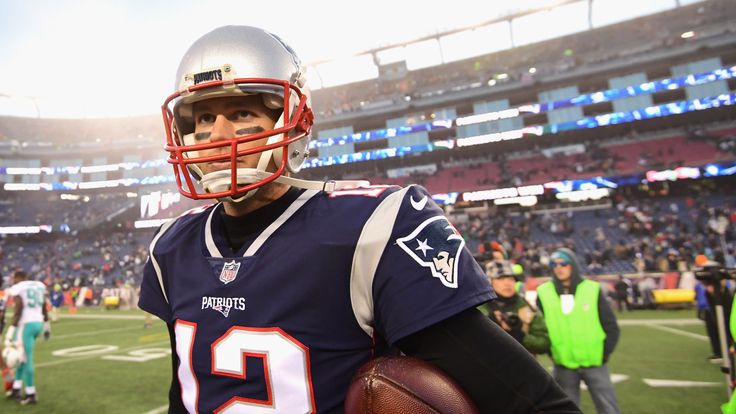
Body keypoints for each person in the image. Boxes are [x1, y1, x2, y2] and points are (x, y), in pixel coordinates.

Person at [138, 25, 579, 413]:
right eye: (203, 118)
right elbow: (187, 393)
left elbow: (528, 399)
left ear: (293, 122)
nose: (216, 135)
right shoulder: (171, 246)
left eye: (241, 113)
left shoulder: (373, 226)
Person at [536, 248, 621, 414]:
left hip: (595, 363)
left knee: (608, 408)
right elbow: (541, 328)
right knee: (567, 410)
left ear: (573, 265)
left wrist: (604, 353)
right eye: (554, 264)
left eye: (563, 263)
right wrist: (552, 352)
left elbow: (611, 326)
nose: (559, 268)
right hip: (563, 365)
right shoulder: (544, 292)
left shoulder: (592, 289)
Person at [479, 259, 550, 355]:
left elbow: (544, 343)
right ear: (489, 281)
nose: (507, 283)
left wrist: (521, 336)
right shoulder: (479, 310)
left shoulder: (527, 307)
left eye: (511, 279)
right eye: (501, 278)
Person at [4, 270, 51, 405]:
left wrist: (11, 331)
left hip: (26, 325)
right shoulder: (38, 285)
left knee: (26, 359)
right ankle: (16, 388)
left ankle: (31, 393)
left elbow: (19, 307)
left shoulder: (19, 287)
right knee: (22, 357)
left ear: (18, 278)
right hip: (38, 324)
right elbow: (43, 306)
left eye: (14, 279)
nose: (12, 281)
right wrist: (47, 326)